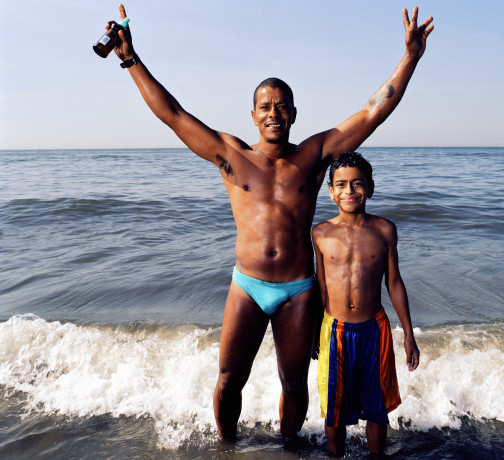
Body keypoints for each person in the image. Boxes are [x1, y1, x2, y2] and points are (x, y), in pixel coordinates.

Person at [102, 4, 433, 441]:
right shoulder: (231, 155)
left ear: (294, 113)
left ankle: (288, 448)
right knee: (227, 379)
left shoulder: (313, 156)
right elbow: (173, 114)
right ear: (254, 115)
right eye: (265, 106)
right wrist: (130, 58)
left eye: (282, 106)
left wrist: (409, 58)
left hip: (298, 290)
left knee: (294, 384)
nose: (273, 112)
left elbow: (372, 112)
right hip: (248, 284)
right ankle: (225, 445)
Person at [311, 151, 419, 458]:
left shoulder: (385, 230)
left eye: (357, 184)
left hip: (375, 329)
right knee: (334, 407)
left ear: (370, 188)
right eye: (341, 184)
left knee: (376, 406)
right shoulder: (320, 233)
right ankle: (335, 456)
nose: (349, 191)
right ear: (331, 190)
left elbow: (394, 282)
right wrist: (312, 334)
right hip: (335, 329)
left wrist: (408, 334)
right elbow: (320, 286)